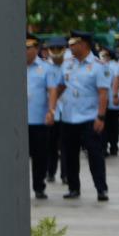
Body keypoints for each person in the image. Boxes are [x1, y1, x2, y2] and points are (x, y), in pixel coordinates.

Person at [55, 30, 110, 202]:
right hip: (69, 118)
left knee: (95, 155)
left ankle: (101, 189)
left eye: (73, 44)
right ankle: (73, 188)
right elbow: (61, 86)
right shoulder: (67, 64)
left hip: (89, 118)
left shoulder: (98, 65)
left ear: (84, 44)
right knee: (70, 155)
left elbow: (103, 93)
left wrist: (100, 117)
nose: (70, 47)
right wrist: (50, 105)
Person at [26, 33, 59, 200]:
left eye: (28, 48)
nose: (25, 51)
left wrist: (51, 111)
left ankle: (39, 186)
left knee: (40, 155)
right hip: (18, 123)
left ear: (36, 48)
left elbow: (52, 90)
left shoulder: (46, 68)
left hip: (38, 119)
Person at [45, 37, 68, 184]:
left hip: (67, 113)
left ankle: (66, 175)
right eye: (53, 49)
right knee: (50, 146)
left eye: (59, 49)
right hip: (51, 113)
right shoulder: (45, 67)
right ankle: (50, 172)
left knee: (66, 147)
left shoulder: (70, 66)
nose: (55, 52)